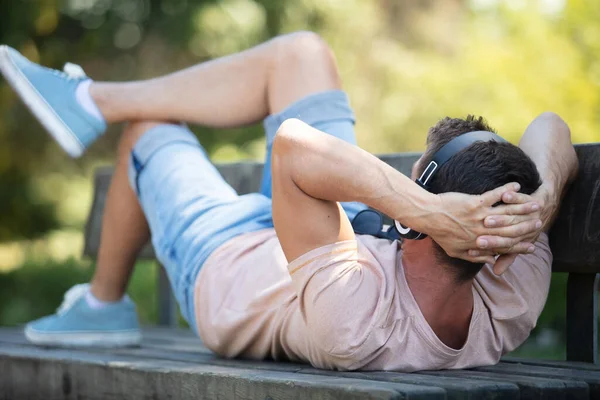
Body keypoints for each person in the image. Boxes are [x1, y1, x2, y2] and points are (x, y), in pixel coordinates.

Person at [0, 32, 578, 372]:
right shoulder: (511, 276)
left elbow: (294, 150)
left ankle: (103, 307)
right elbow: (551, 127)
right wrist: (542, 204)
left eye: (420, 192)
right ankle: (88, 99)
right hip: (329, 228)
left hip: (228, 262)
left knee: (147, 131)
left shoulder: (358, 322)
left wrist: (427, 210)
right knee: (300, 52)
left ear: (421, 220)